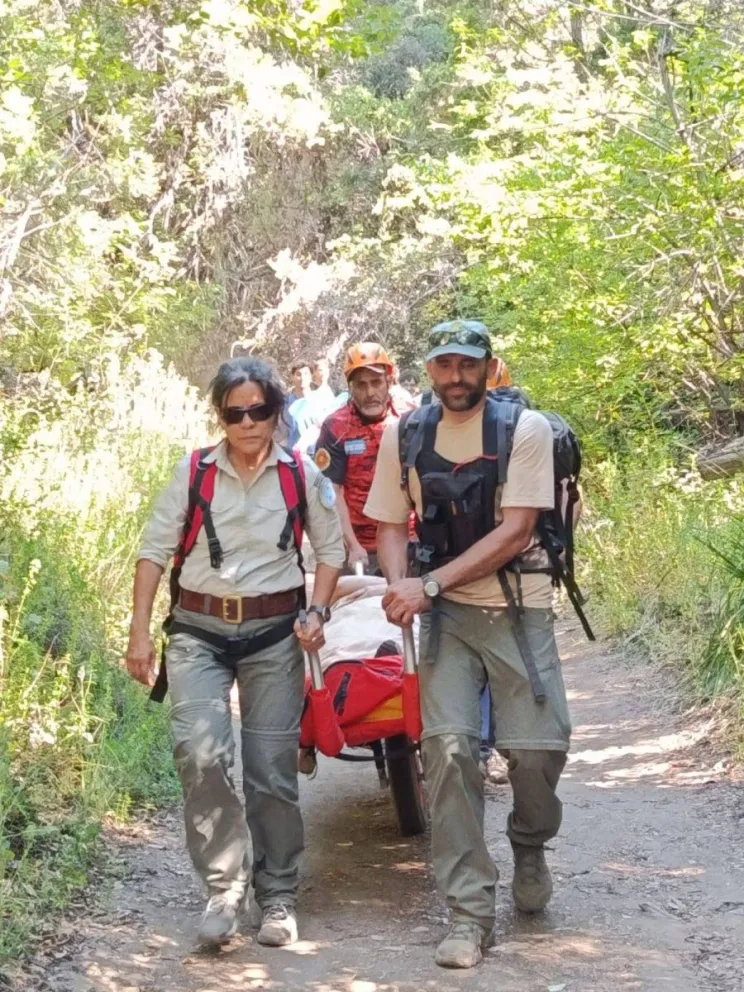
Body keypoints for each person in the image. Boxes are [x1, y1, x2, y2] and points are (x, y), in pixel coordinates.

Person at [364, 319, 572, 969]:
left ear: (488, 366)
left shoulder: (524, 430)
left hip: (518, 605)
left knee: (538, 752)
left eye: (468, 364)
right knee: (448, 752)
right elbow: (390, 522)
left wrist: (426, 584)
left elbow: (517, 531)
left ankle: (529, 843)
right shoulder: (405, 434)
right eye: (444, 365)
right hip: (446, 617)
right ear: (429, 369)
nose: (456, 377)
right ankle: (468, 913)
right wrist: (399, 585)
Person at [125, 356, 344, 949]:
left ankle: (277, 895)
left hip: (274, 635)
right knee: (200, 754)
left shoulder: (301, 473)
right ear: (220, 417)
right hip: (197, 632)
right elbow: (153, 551)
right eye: (235, 413)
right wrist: (139, 632)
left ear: (276, 412)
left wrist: (317, 612)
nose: (248, 422)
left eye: (259, 410)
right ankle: (224, 890)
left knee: (270, 770)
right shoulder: (193, 472)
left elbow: (331, 551)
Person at [314, 342, 399, 574]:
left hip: (406, 540)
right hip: (358, 547)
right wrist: (352, 545)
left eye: (376, 382)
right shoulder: (336, 426)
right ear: (350, 387)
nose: (370, 393)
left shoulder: (409, 419)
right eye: (361, 385)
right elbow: (331, 491)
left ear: (389, 381)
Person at [286, 360, 315, 447]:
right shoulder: (286, 404)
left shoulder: (319, 400)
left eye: (306, 374)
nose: (302, 378)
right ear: (292, 377)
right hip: (294, 451)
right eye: (298, 374)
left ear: (311, 376)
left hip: (318, 451)